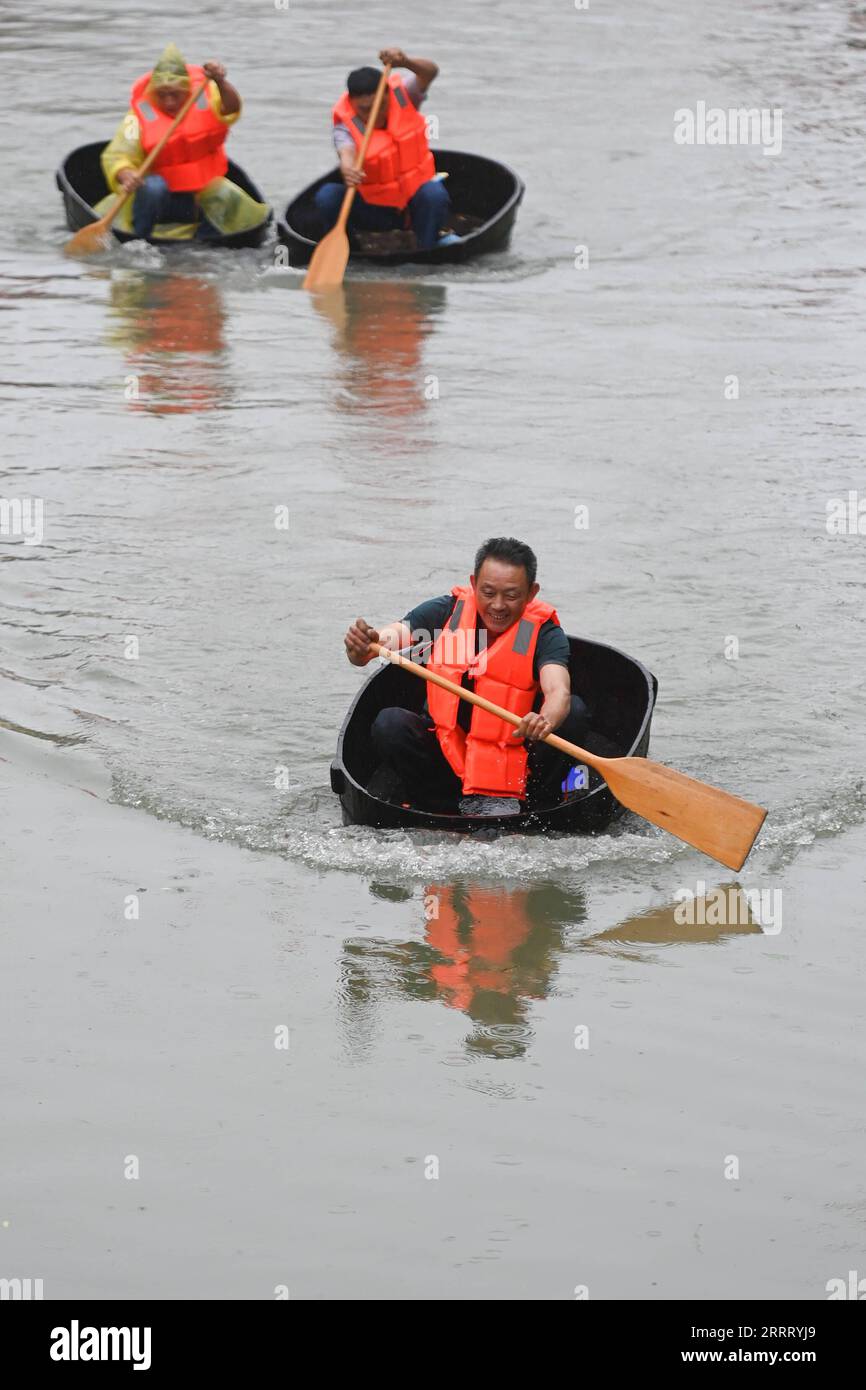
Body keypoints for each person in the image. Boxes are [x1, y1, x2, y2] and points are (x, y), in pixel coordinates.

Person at [343, 537, 594, 817]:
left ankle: (540, 806)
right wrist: (365, 646)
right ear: (474, 584)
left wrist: (544, 719)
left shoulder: (544, 633)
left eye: (511, 595)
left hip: (516, 764)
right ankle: (436, 807)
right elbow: (390, 637)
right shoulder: (446, 611)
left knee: (574, 713)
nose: (497, 606)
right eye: (488, 593)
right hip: (448, 762)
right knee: (390, 723)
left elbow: (558, 689)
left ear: (531, 593)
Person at [99, 43, 269, 241]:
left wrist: (221, 82)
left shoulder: (205, 98)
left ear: (187, 91)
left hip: (198, 197)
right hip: (158, 199)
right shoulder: (138, 117)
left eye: (175, 95)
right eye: (162, 95)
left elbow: (231, 108)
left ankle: (204, 240)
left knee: (225, 193)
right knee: (153, 188)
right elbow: (117, 155)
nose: (169, 102)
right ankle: (140, 239)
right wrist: (126, 174)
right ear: (153, 93)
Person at [314, 46, 459, 252]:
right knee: (327, 196)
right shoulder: (344, 124)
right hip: (374, 209)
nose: (373, 114)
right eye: (364, 109)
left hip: (413, 205)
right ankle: (350, 248)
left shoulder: (404, 95)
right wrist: (348, 169)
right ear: (352, 104)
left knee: (433, 193)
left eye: (379, 106)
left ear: (387, 95)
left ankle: (426, 248)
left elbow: (430, 72)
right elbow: (345, 152)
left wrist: (406, 62)